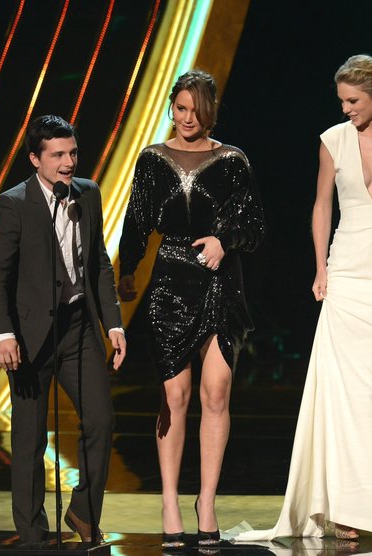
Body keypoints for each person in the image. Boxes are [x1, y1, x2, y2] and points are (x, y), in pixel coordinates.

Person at [236, 55, 372, 545]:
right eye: (341, 101)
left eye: (354, 100)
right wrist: (322, 268)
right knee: (345, 394)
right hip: (347, 272)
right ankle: (344, 505)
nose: (346, 109)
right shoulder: (332, 140)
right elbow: (322, 203)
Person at [117, 69, 264, 549]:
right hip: (170, 283)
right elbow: (138, 220)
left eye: (195, 111)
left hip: (221, 283)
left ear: (210, 112)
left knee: (216, 393)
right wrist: (128, 270)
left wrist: (225, 239)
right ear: (172, 109)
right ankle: (168, 501)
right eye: (180, 108)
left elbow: (255, 225)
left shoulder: (233, 160)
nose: (187, 118)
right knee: (175, 398)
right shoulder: (152, 160)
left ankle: (206, 501)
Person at [0, 115, 126, 545]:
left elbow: (98, 261)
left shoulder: (89, 193)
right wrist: (2, 333)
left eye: (73, 153)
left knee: (101, 420)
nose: (68, 163)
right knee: (29, 436)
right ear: (35, 158)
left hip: (78, 328)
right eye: (58, 155)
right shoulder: (14, 203)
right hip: (27, 336)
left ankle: (83, 512)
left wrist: (113, 323)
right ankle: (31, 533)